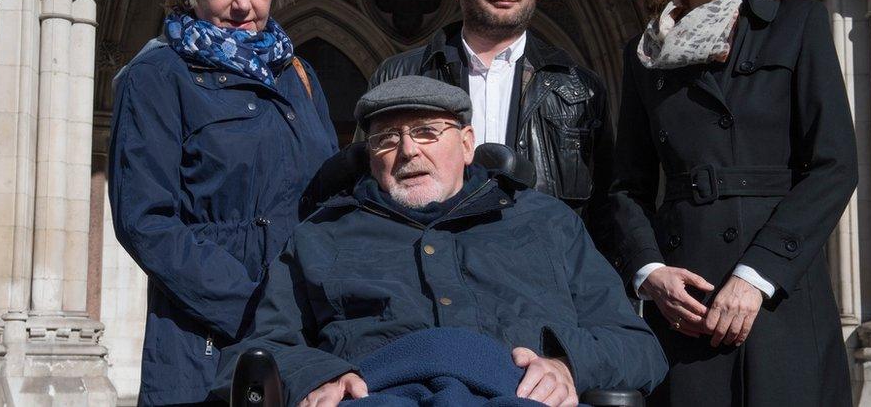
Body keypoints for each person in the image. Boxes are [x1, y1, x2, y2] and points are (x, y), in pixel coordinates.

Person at [216, 76, 668, 407]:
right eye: (387, 139)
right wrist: (318, 376)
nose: (408, 150)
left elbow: (636, 345)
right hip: (380, 396)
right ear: (369, 157)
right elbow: (257, 351)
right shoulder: (321, 235)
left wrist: (567, 365)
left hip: (518, 395)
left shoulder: (546, 222)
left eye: (428, 132)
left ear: (468, 144)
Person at [608, 0, 857, 406]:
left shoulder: (799, 26)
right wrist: (650, 273)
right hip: (687, 302)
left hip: (780, 293)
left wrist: (757, 275)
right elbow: (625, 185)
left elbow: (834, 164)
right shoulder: (645, 55)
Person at [108, 0, 338, 405]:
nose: (243, 5)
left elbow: (329, 195)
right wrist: (252, 303)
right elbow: (146, 221)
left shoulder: (297, 73)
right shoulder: (157, 76)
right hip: (205, 333)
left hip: (303, 328)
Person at [368, 0, 614, 251]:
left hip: (544, 280)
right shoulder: (398, 77)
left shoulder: (580, 88)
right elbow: (369, 196)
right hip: (431, 277)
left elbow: (607, 211)